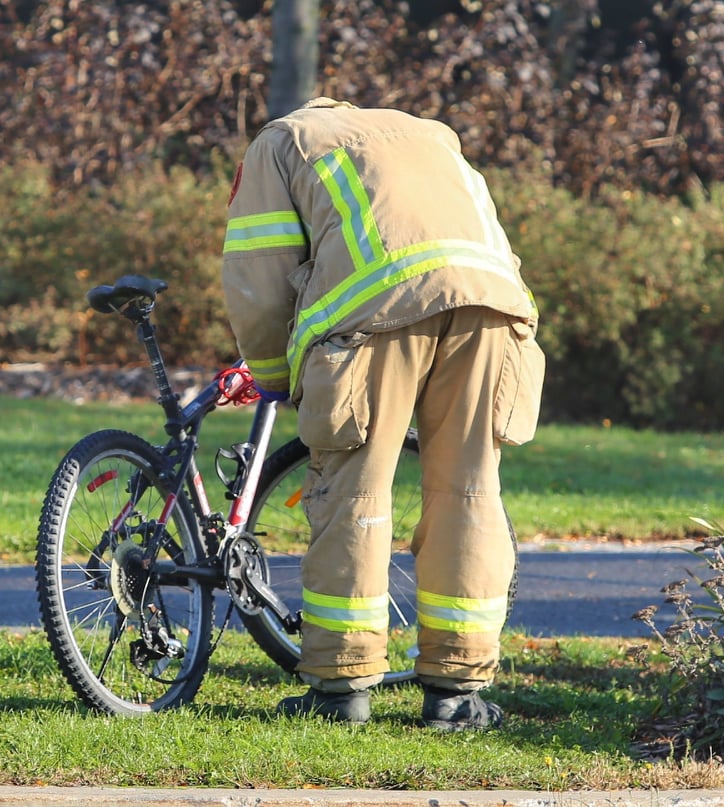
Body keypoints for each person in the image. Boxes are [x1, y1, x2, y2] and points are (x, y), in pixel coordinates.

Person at [221, 98, 545, 730]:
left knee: (354, 497)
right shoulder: (433, 133)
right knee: (469, 493)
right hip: (494, 308)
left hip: (374, 315)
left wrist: (273, 377)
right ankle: (457, 695)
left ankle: (341, 689)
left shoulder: (282, 140)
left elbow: (259, 277)